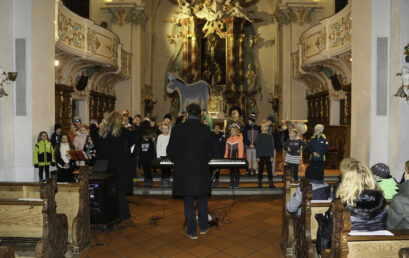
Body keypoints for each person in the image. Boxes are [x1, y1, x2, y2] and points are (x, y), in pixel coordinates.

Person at [167, 103, 213, 240]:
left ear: (187, 114)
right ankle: (204, 227)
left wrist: (179, 162)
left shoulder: (177, 129)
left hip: (184, 170)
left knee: (188, 199)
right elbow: (211, 152)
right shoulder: (205, 129)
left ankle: (192, 231)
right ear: (199, 115)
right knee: (202, 197)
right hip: (201, 169)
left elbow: (170, 151)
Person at [90, 111, 134, 221]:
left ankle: (109, 215)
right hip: (119, 165)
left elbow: (94, 137)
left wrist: (92, 125)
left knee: (108, 191)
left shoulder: (103, 131)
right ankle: (123, 215)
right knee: (120, 191)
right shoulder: (123, 132)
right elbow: (134, 137)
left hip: (105, 165)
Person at [336, 159, 387, 231]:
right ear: (370, 177)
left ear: (347, 181)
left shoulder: (341, 204)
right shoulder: (380, 201)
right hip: (379, 240)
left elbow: (332, 230)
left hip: (350, 241)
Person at [256, 120, 275, 188]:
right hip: (261, 155)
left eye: (264, 126)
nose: (262, 128)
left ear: (267, 127)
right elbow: (257, 147)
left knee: (269, 169)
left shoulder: (270, 136)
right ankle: (260, 183)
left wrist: (272, 156)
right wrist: (257, 156)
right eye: (261, 126)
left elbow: (272, 146)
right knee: (260, 170)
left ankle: (271, 183)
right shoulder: (259, 136)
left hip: (268, 155)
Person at [157, 123, 171, 187]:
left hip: (168, 156)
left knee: (168, 169)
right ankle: (163, 180)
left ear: (168, 129)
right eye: (163, 129)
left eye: (166, 129)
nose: (165, 130)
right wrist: (158, 155)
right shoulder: (159, 136)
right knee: (163, 169)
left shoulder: (170, 137)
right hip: (162, 156)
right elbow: (158, 146)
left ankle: (167, 180)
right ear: (161, 129)